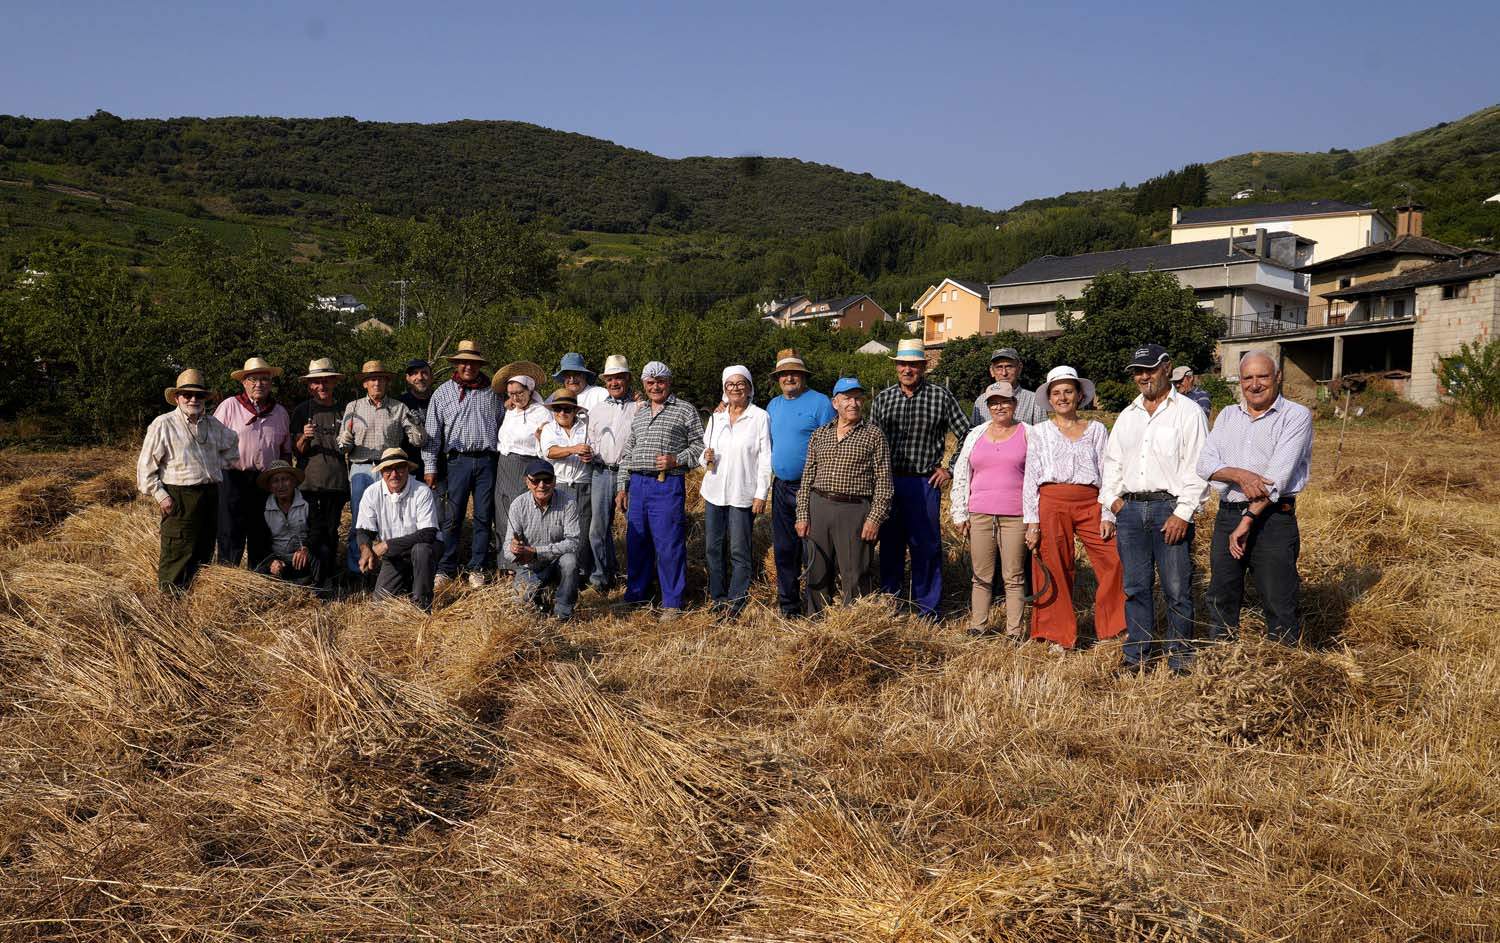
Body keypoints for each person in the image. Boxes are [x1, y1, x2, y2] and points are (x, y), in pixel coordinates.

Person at [1100, 344, 1210, 675]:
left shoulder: (1188, 413)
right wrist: (1114, 502)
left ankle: (1180, 659)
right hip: (1131, 511)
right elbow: (1112, 464)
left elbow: (1199, 467)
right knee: (1135, 587)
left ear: (1167, 368)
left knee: (1177, 588)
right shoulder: (1127, 416)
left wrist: (1183, 511)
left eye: (1149, 369)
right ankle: (1138, 657)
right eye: (1138, 371)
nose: (1143, 376)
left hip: (1169, 510)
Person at [1197, 350, 1313, 646]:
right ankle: (1222, 660)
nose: (1255, 384)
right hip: (1227, 515)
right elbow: (1204, 465)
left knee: (1278, 598)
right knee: (1221, 594)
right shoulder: (1227, 416)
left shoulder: (1295, 416)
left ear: (1278, 377)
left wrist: (1247, 519)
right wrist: (1240, 475)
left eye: (1262, 376)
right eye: (1248, 377)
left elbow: (1277, 480)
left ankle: (1282, 664)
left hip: (1273, 519)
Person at [1022, 366, 1125, 649]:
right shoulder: (1039, 432)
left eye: (1068, 391)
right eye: (1057, 393)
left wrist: (1107, 513)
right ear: (1050, 399)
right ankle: (1057, 634)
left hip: (1090, 501)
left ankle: (1113, 627)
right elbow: (1030, 477)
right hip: (1052, 501)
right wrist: (1032, 523)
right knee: (1054, 565)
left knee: (1114, 558)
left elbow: (1108, 472)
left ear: (1080, 396)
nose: (1063, 397)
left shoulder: (1096, 430)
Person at [871, 338, 971, 619]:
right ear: (896, 368)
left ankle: (927, 609)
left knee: (926, 546)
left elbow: (968, 434)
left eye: (913, 364)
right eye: (903, 364)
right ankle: (891, 604)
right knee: (890, 544)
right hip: (890, 482)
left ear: (924, 367)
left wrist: (949, 468)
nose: (907, 369)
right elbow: (872, 442)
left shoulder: (941, 397)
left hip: (926, 483)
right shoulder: (883, 399)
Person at [614, 360, 704, 621]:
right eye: (650, 383)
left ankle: (672, 602)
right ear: (643, 384)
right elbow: (628, 452)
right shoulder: (640, 413)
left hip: (665, 484)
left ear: (669, 382)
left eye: (660, 382)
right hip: (638, 485)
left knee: (668, 544)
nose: (656, 387)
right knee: (637, 542)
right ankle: (637, 594)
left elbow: (700, 446)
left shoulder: (684, 410)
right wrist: (622, 487)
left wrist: (676, 459)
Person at [137, 369, 239, 593]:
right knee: (177, 552)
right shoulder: (163, 424)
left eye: (199, 395)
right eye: (187, 395)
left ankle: (194, 602)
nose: (193, 400)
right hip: (179, 497)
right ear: (177, 397)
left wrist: (217, 465)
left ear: (205, 399)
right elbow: (145, 469)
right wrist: (161, 496)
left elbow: (233, 443)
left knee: (203, 552)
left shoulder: (212, 425)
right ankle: (169, 607)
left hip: (210, 494)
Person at [796, 378, 892, 614]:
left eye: (858, 398)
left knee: (855, 572)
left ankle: (854, 623)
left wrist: (875, 518)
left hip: (854, 509)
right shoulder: (820, 434)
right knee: (817, 571)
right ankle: (816, 622)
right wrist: (802, 514)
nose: (854, 403)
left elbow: (884, 482)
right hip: (819, 506)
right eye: (847, 398)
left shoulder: (873, 435)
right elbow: (807, 477)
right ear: (835, 402)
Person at [951, 382, 1029, 637]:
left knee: (1013, 574)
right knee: (981, 574)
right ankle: (978, 625)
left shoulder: (1028, 433)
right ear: (987, 407)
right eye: (994, 402)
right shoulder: (976, 434)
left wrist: (1033, 517)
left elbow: (1036, 476)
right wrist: (960, 511)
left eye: (1005, 401)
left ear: (1014, 404)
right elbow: (962, 472)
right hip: (980, 513)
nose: (999, 406)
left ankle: (1014, 630)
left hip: (1015, 515)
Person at [423, 339, 501, 586]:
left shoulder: (493, 392)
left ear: (479, 365)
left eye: (473, 363)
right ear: (456, 364)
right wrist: (430, 466)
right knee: (452, 516)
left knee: (482, 515)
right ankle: (445, 568)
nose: (468, 366)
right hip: (457, 461)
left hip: (488, 461)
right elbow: (433, 434)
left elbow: (503, 424)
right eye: (463, 362)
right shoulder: (443, 393)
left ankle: (476, 567)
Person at [765, 348, 835, 617]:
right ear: (778, 378)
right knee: (784, 549)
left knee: (812, 550)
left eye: (794, 373)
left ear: (803, 376)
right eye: (784, 374)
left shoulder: (819, 403)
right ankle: (788, 605)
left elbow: (831, 444)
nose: (789, 378)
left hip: (811, 488)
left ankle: (815, 606)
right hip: (781, 486)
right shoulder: (773, 406)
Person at [338, 360, 425, 575]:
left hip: (389, 470)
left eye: (380, 379)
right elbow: (343, 444)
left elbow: (418, 441)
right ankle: (357, 569)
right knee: (360, 521)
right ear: (365, 384)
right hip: (361, 469)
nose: (376, 383)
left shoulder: (399, 408)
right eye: (371, 379)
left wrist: (416, 425)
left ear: (386, 382)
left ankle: (389, 569)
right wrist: (346, 440)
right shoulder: (353, 407)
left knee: (392, 519)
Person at [700, 365, 772, 616]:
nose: (735, 388)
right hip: (715, 490)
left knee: (739, 549)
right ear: (724, 389)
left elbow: (765, 458)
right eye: (730, 384)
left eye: (741, 383)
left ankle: (737, 599)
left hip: (742, 492)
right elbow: (704, 453)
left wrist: (761, 492)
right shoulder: (716, 418)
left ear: (750, 388)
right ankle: (718, 597)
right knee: (713, 547)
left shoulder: (759, 417)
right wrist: (705, 456)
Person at [213, 357, 292, 568]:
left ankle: (260, 575)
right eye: (253, 379)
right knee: (231, 529)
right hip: (232, 477)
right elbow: (211, 443)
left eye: (264, 379)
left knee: (262, 529)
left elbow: (285, 452)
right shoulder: (229, 406)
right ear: (244, 382)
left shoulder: (280, 413)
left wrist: (282, 481)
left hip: (266, 480)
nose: (259, 384)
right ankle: (228, 577)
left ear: (271, 383)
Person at [355, 447, 441, 611]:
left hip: (423, 550)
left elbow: (428, 534)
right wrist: (366, 548)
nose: (394, 474)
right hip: (395, 556)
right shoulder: (371, 493)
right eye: (388, 469)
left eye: (399, 468)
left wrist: (386, 545)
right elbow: (364, 530)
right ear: (381, 472)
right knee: (379, 606)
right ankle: (408, 584)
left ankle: (421, 606)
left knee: (421, 550)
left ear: (407, 469)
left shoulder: (422, 491)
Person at [289, 358, 347, 586]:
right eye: (317, 382)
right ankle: (309, 575)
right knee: (310, 532)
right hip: (308, 483)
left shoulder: (344, 410)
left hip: (336, 483)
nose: (322, 386)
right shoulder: (302, 411)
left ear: (334, 382)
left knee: (331, 531)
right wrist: (305, 436)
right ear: (310, 386)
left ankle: (329, 576)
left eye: (326, 381)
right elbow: (297, 450)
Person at [492, 361, 551, 579]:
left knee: (521, 515)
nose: (515, 397)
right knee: (502, 513)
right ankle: (505, 563)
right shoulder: (510, 411)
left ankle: (523, 565)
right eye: (511, 393)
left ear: (530, 390)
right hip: (504, 464)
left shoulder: (541, 413)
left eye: (519, 392)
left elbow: (543, 445)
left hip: (526, 466)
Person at [585, 355, 639, 592]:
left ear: (627, 379)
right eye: (610, 379)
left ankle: (638, 578)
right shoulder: (596, 410)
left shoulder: (640, 407)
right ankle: (602, 577)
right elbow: (592, 441)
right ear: (605, 381)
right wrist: (588, 454)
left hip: (631, 474)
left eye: (619, 377)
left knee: (636, 529)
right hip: (602, 472)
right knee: (598, 530)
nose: (614, 382)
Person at [504, 459, 583, 621]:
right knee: (520, 603)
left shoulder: (568, 503)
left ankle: (563, 611)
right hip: (530, 567)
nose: (541, 485)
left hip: (557, 562)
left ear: (554, 481)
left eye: (547, 480)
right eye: (535, 481)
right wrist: (514, 551)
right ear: (527, 482)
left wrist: (536, 552)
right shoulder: (518, 505)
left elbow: (573, 542)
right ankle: (540, 597)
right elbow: (507, 547)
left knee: (570, 561)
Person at [539, 388, 594, 585]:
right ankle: (557, 575)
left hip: (583, 483)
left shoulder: (586, 427)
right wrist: (574, 449)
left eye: (567, 409)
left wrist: (589, 455)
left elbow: (593, 449)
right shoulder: (548, 428)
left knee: (583, 531)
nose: (562, 413)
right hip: (560, 485)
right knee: (557, 531)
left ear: (574, 411)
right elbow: (550, 451)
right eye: (558, 409)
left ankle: (581, 575)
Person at [255, 460, 321, 587]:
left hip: (303, 556)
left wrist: (306, 548)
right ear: (270, 487)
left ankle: (318, 590)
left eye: (285, 479)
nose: (281, 485)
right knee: (259, 566)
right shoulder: (263, 507)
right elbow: (259, 541)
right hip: (278, 557)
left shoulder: (307, 502)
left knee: (322, 551)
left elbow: (318, 530)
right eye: (275, 481)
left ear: (294, 482)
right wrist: (271, 561)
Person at [970, 347, 1046, 426]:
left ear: (1019, 368)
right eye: (999, 367)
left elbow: (1042, 435)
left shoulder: (1034, 401)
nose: (1004, 373)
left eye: (1009, 367)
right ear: (992, 371)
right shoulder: (980, 401)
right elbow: (975, 434)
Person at [398, 358, 434, 469]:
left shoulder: (440, 400)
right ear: (408, 378)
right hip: (407, 469)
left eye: (424, 373)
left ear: (431, 377)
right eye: (414, 373)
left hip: (439, 469)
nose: (420, 377)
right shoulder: (399, 404)